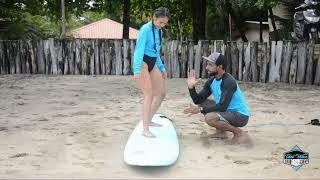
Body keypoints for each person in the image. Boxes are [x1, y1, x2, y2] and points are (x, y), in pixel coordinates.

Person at [183, 52, 250, 144]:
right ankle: (221, 132)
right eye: (207, 64)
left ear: (220, 66)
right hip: (227, 111)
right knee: (202, 102)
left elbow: (222, 107)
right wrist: (191, 88)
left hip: (240, 116)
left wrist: (200, 110)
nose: (207, 68)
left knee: (209, 118)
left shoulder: (228, 81)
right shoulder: (212, 81)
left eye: (210, 65)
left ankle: (238, 132)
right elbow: (197, 100)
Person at [133, 7, 171, 138]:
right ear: (154, 18)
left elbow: (156, 51)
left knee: (161, 93)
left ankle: (149, 119)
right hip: (143, 63)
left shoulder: (159, 31)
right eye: (161, 22)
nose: (162, 25)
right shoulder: (145, 29)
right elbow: (138, 50)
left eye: (165, 23)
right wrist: (137, 69)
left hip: (153, 62)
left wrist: (162, 68)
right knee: (148, 95)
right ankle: (145, 129)